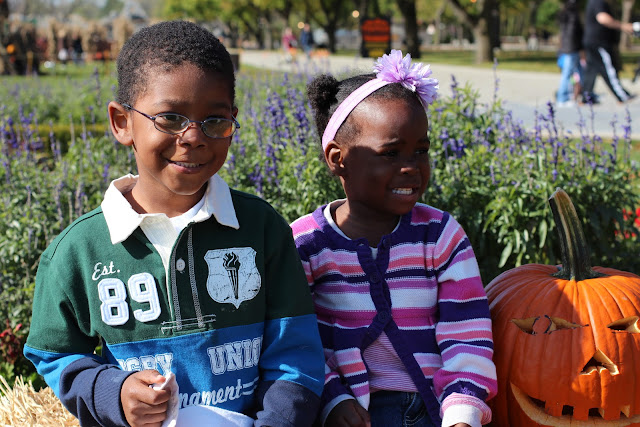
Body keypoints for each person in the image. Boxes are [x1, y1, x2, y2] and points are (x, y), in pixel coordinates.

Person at [24, 20, 324, 427]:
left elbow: (296, 355)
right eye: (169, 118)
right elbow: (54, 354)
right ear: (122, 122)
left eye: (215, 120)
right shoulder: (79, 250)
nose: (194, 136)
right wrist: (114, 392)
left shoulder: (261, 228)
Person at [291, 50, 498, 427]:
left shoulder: (440, 235)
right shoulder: (307, 243)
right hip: (350, 411)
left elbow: (466, 331)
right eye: (390, 153)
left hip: (436, 408)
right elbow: (296, 339)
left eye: (421, 151)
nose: (411, 167)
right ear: (338, 158)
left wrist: (463, 411)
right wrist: (333, 398)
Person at [582, 0, 637, 103]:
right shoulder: (598, 2)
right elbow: (603, 18)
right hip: (599, 42)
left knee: (591, 70)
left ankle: (586, 96)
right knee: (608, 69)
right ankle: (622, 95)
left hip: (592, 41)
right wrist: (623, 26)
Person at [556, 0, 584, 107]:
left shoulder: (564, 15)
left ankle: (576, 95)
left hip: (566, 49)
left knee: (575, 74)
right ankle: (562, 97)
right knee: (568, 74)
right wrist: (581, 49)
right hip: (572, 49)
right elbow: (575, 35)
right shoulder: (573, 16)